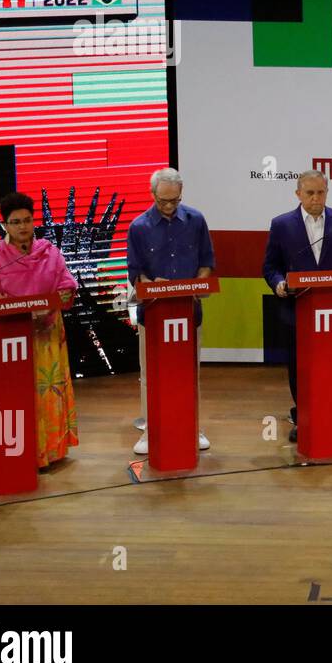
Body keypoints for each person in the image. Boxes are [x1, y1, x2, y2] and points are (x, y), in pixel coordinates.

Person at [262, 169, 332, 443]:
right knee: (300, 367)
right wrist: (278, 284)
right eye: (310, 193)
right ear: (298, 194)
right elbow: (270, 266)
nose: (316, 198)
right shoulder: (282, 224)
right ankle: (305, 417)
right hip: (298, 310)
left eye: (321, 192)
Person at [0, 192, 79, 469]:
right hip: (12, 338)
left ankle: (49, 453)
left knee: (46, 393)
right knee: (17, 394)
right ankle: (17, 451)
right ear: (5, 226)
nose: (22, 227)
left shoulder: (49, 251)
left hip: (47, 334)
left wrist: (51, 305)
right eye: (15, 222)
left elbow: (68, 287)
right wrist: (21, 313)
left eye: (27, 220)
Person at [126, 168, 215, 455]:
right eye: (163, 201)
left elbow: (206, 262)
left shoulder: (196, 220)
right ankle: (151, 430)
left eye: (174, 201)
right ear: (152, 195)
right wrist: (153, 286)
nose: (168, 206)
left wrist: (197, 284)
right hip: (153, 314)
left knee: (189, 372)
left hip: (189, 310)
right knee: (151, 373)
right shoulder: (138, 227)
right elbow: (135, 273)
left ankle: (192, 426)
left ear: (181, 194)